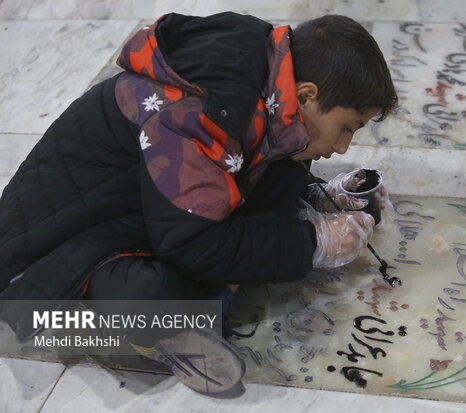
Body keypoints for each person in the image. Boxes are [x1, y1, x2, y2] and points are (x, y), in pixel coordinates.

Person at [0, 11, 397, 395]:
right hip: (44, 262)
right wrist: (312, 242)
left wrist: (310, 196)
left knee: (282, 171)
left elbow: (252, 156)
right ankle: (163, 332)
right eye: (346, 128)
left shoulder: (273, 85)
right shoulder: (197, 113)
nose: (343, 146)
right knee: (148, 297)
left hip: (141, 211)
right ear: (307, 95)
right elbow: (195, 246)